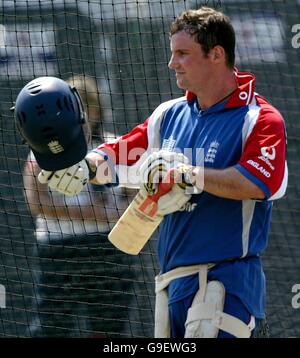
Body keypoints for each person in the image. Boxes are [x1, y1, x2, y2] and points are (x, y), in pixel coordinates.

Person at [18, 7, 288, 338]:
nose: (172, 63)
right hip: (171, 284)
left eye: (182, 54)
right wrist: (85, 167)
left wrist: (188, 174)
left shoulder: (260, 119)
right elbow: (122, 153)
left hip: (227, 281)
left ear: (216, 54)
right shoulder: (168, 114)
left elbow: (258, 182)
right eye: (172, 53)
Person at [22, 75, 135, 337]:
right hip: (60, 249)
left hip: (108, 248)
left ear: (96, 110)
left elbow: (136, 194)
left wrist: (119, 214)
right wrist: (94, 214)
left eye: (86, 107)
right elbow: (36, 202)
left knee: (109, 330)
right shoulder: (43, 149)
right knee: (51, 328)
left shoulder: (115, 145)